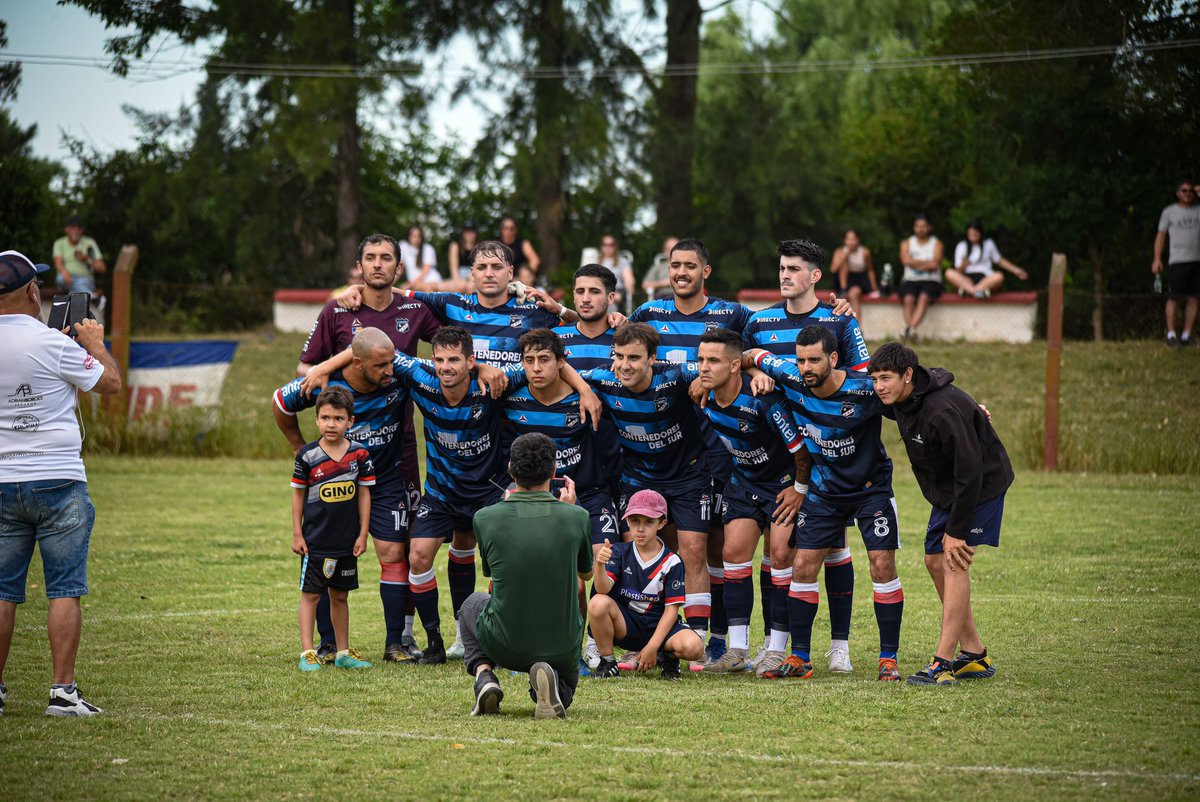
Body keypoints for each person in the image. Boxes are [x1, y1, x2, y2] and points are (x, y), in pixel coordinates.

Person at [297, 234, 440, 661]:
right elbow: (306, 370)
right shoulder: (338, 309)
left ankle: (401, 637)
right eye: (370, 258)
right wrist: (305, 449)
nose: (378, 265)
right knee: (330, 544)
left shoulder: (416, 309)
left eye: (387, 259)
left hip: (398, 453)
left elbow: (448, 346)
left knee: (398, 547)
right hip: (340, 460)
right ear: (358, 265)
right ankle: (326, 643)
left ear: (399, 267)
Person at [0, 250, 121, 717]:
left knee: (4, 591)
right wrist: (95, 343)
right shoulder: (53, 342)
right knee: (63, 588)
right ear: (33, 291)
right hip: (56, 477)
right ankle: (62, 693)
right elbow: (109, 383)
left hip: (3, 479)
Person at [747, 325, 906, 682]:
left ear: (833, 359)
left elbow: (913, 394)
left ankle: (888, 659)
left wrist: (971, 408)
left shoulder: (865, 389)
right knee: (802, 566)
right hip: (823, 491)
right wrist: (757, 373)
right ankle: (800, 657)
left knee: (882, 565)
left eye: (814, 360)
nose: (806, 367)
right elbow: (749, 356)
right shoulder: (790, 376)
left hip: (871, 489)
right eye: (801, 359)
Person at [741, 238, 867, 673]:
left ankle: (841, 646)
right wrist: (756, 370)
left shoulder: (839, 321)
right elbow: (738, 359)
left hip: (824, 449)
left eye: (794, 268)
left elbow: (863, 379)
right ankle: (777, 644)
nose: (784, 275)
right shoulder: (759, 321)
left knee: (833, 546)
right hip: (773, 449)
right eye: (781, 268)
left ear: (815, 275)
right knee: (780, 553)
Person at [868, 342, 1014, 686]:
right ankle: (975, 655)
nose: (879, 387)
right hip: (951, 490)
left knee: (954, 560)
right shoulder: (903, 397)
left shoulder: (940, 411)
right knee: (933, 561)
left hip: (980, 486)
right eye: (875, 379)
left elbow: (971, 472)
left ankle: (943, 663)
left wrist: (958, 531)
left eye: (885, 378)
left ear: (907, 375)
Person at [276, 327, 420, 663]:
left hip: (382, 480)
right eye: (382, 365)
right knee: (325, 558)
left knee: (392, 552)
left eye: (391, 363)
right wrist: (302, 450)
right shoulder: (326, 385)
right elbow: (279, 403)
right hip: (332, 485)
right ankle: (326, 645)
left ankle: (394, 642)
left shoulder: (398, 374)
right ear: (357, 363)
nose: (390, 369)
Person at [692, 328, 809, 674]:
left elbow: (801, 453)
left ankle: (775, 647)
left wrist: (799, 489)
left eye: (713, 361)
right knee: (732, 554)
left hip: (782, 485)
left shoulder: (762, 400)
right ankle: (737, 649)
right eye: (700, 359)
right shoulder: (703, 394)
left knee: (781, 556)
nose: (703, 367)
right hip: (743, 483)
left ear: (734, 366)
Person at [459, 433, 594, 719]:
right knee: (565, 687)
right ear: (554, 472)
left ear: (510, 469)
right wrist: (567, 510)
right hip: (561, 644)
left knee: (472, 603)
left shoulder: (485, 518)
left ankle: (485, 677)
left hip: (505, 644)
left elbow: (492, 574)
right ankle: (547, 683)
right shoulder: (577, 516)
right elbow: (585, 573)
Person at [290, 386, 375, 672]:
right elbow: (298, 495)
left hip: (346, 541)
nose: (331, 424)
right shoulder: (307, 455)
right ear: (316, 420)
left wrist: (363, 533)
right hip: (315, 541)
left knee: (340, 595)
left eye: (338, 419)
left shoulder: (360, 455)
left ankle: (342, 652)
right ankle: (307, 652)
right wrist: (297, 533)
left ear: (350, 421)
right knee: (311, 595)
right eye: (325, 418)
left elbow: (364, 494)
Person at [588, 490, 704, 680]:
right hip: (628, 624)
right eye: (635, 521)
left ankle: (667, 656)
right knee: (598, 602)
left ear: (662, 523)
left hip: (660, 626)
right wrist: (599, 565)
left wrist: (652, 646)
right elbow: (602, 590)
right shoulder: (618, 551)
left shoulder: (672, 561)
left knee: (694, 648)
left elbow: (671, 611)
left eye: (649, 522)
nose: (640, 529)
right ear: (627, 521)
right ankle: (608, 662)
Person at [1152, 179, 1200, 347]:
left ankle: (1187, 335)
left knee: (1194, 298)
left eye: (1190, 191)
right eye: (1184, 191)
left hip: (1197, 260)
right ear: (1178, 193)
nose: (1188, 194)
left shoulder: (1198, 211)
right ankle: (1171, 335)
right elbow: (1160, 236)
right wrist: (1157, 259)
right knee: (1175, 298)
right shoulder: (1169, 212)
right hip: (1177, 261)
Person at [945, 220, 1028, 299]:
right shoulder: (961, 246)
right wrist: (963, 265)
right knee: (949, 273)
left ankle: (970, 291)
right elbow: (957, 271)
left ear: (980, 233)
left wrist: (1016, 270)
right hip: (968, 279)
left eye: (975, 233)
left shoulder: (988, 244)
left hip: (985, 278)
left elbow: (999, 260)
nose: (973, 236)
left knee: (999, 276)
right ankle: (977, 292)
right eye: (970, 234)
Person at [897, 213, 945, 342]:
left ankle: (909, 329)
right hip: (910, 280)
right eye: (917, 226)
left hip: (931, 280)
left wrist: (914, 262)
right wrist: (925, 263)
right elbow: (905, 260)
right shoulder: (906, 242)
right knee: (908, 299)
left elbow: (935, 265)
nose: (920, 229)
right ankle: (911, 331)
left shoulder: (937, 244)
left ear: (929, 227)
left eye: (923, 226)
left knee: (924, 297)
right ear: (914, 228)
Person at [829, 229, 879, 320]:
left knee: (854, 293)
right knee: (844, 263)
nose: (850, 242)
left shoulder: (864, 252)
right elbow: (833, 269)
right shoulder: (840, 251)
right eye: (848, 239)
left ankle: (858, 326)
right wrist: (845, 256)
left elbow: (870, 270)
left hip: (858, 279)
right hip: (842, 280)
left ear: (858, 240)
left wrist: (874, 287)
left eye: (853, 239)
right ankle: (843, 289)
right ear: (844, 240)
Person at [52, 215, 106, 296]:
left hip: (85, 280)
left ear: (82, 230)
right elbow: (58, 264)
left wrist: (87, 259)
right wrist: (65, 274)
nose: (76, 230)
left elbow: (102, 268)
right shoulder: (59, 243)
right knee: (60, 278)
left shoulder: (90, 243)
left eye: (79, 227)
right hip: (66, 280)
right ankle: (92, 296)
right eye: (73, 227)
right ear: (67, 229)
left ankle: (84, 294)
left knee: (79, 284)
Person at [598, 234, 636, 312]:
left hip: (616, 291)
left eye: (611, 245)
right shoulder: (595, 260)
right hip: (598, 290)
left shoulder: (622, 261)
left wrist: (630, 289)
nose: (607, 247)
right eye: (605, 244)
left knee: (610, 299)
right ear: (601, 246)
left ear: (615, 247)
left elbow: (629, 282)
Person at [498, 215, 541, 281]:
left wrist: (523, 277)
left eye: (512, 229)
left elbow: (535, 261)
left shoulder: (523, 243)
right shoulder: (496, 244)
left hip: (519, 281)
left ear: (516, 230)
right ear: (501, 230)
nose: (508, 231)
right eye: (506, 228)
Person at [641, 237, 678, 301]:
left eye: (675, 248)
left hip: (681, 295)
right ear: (664, 251)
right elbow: (645, 285)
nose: (671, 251)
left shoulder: (686, 266)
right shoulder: (658, 267)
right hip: (662, 297)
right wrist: (664, 283)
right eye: (668, 249)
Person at [447, 220, 480, 291]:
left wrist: (469, 279)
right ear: (463, 233)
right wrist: (458, 281)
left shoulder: (480, 248)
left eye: (472, 232)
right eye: (467, 232)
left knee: (471, 287)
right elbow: (454, 268)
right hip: (458, 276)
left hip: (474, 275)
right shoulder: (455, 246)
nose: (469, 235)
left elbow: (478, 266)